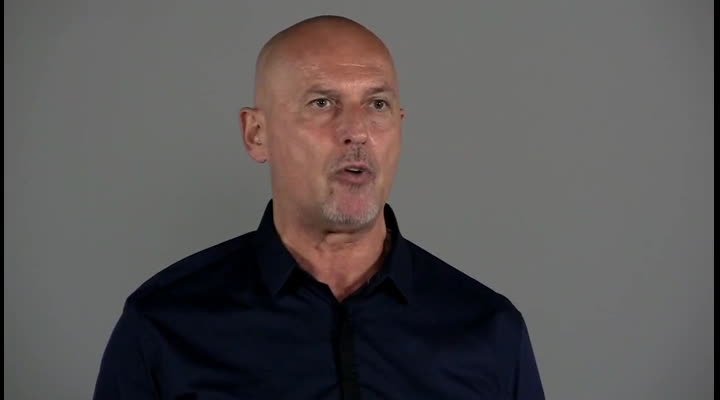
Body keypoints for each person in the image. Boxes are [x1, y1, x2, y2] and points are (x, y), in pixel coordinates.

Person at [93, 15, 545, 400]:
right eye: (322, 103)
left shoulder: (488, 328)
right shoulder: (163, 324)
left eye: (378, 104)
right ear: (256, 134)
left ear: (400, 126)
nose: (357, 131)